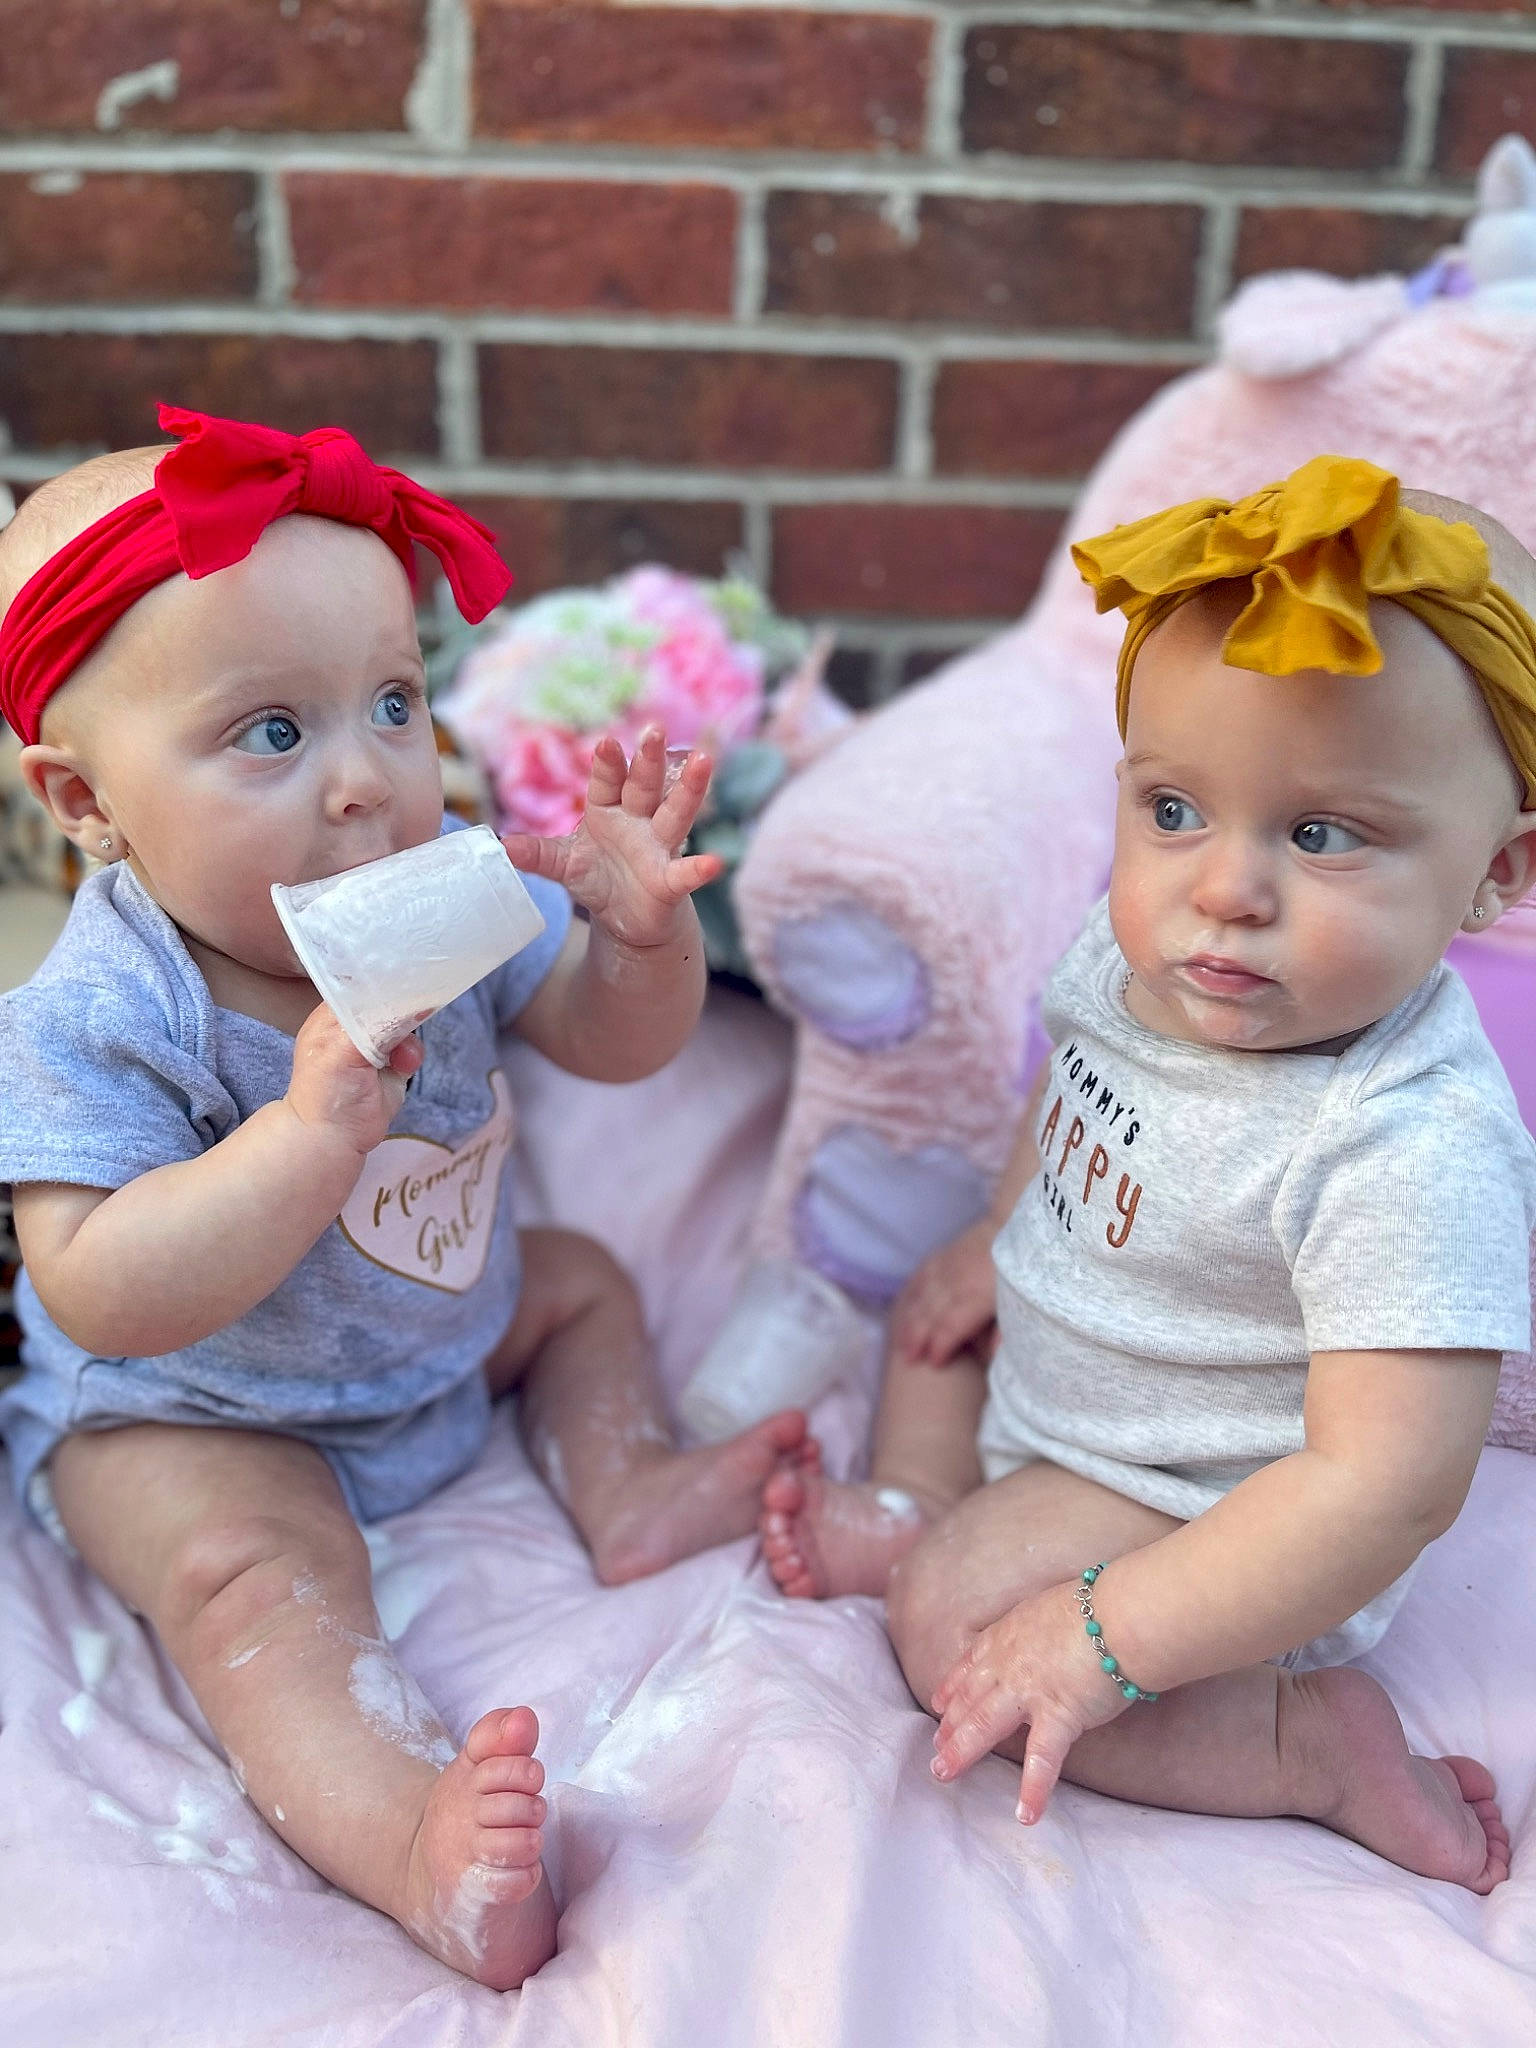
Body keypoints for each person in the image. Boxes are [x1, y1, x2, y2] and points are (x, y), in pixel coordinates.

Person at [0, 405, 807, 1988]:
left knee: (579, 1279)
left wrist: (643, 945)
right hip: (201, 1414)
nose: (370, 780)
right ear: (85, 801)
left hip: (446, 1332)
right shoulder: (106, 1012)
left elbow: (601, 1042)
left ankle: (627, 1479)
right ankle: (410, 1842)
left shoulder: (434, 904)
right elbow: (95, 1281)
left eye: (392, 701)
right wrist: (306, 1135)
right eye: (273, 734)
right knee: (256, 1591)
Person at [760, 456, 1536, 1894]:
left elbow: (1386, 1485)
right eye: (1175, 811)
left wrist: (1113, 1633)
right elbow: (1073, 1081)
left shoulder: (1404, 1141)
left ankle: (1307, 1739)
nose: (1223, 888)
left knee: (956, 1639)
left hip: (1214, 1512)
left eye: (1320, 835)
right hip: (1076, 1378)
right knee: (938, 1318)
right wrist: (999, 1231)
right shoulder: (1148, 957)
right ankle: (928, 1493)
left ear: (1501, 873)